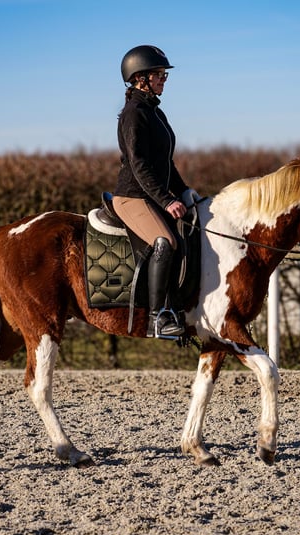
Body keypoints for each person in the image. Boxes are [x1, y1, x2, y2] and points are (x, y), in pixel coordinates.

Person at [112, 45, 190, 339]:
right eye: (159, 74)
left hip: (151, 194)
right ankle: (159, 317)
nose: (163, 79)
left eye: (164, 75)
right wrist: (167, 200)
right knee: (165, 241)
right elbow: (140, 165)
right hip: (132, 197)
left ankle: (181, 306)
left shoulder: (155, 111)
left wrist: (184, 192)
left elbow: (166, 163)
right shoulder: (133, 114)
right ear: (140, 78)